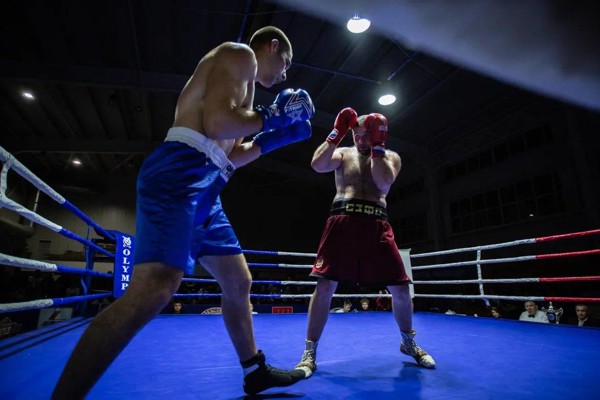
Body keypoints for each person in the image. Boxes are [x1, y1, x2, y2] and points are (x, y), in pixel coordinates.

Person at [52, 26, 314, 399]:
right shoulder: (239, 55)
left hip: (209, 183)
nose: (285, 75)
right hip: (181, 171)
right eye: (285, 63)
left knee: (238, 281)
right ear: (272, 47)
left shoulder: (246, 90)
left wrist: (277, 136)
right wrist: (272, 116)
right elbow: (216, 122)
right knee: (154, 288)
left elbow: (230, 154)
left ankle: (254, 371)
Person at [294, 108, 436, 378]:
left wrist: (377, 148)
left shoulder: (391, 157)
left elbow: (383, 183)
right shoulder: (342, 153)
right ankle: (309, 352)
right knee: (324, 287)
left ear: (378, 135)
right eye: (356, 135)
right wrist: (336, 134)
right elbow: (317, 165)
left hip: (376, 223)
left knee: (401, 289)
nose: (361, 140)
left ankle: (408, 343)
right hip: (342, 220)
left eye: (366, 136)